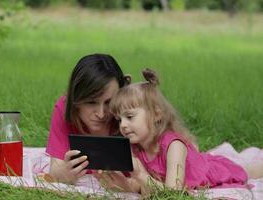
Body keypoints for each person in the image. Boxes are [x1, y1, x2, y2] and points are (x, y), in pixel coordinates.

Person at [97, 68, 263, 194]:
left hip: (209, 173)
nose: (123, 125)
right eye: (119, 120)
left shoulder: (173, 146)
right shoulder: (136, 147)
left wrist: (140, 174)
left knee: (247, 171)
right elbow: (143, 188)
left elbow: (173, 193)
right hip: (193, 168)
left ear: (156, 114)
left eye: (130, 117)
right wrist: (122, 183)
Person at [45, 53, 131, 184]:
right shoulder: (64, 108)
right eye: (91, 102)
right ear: (76, 99)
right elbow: (56, 169)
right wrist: (63, 174)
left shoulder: (129, 111)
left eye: (109, 102)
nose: (101, 114)